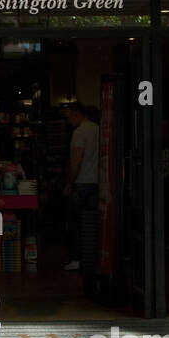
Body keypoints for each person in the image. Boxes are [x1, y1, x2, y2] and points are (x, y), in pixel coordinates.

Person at [64, 101, 100, 272]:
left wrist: (69, 183)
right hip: (97, 182)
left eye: (69, 117)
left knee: (74, 222)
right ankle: (92, 257)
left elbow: (76, 161)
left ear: (75, 113)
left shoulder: (79, 132)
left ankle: (76, 258)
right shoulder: (98, 129)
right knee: (91, 223)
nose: (68, 121)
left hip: (82, 183)